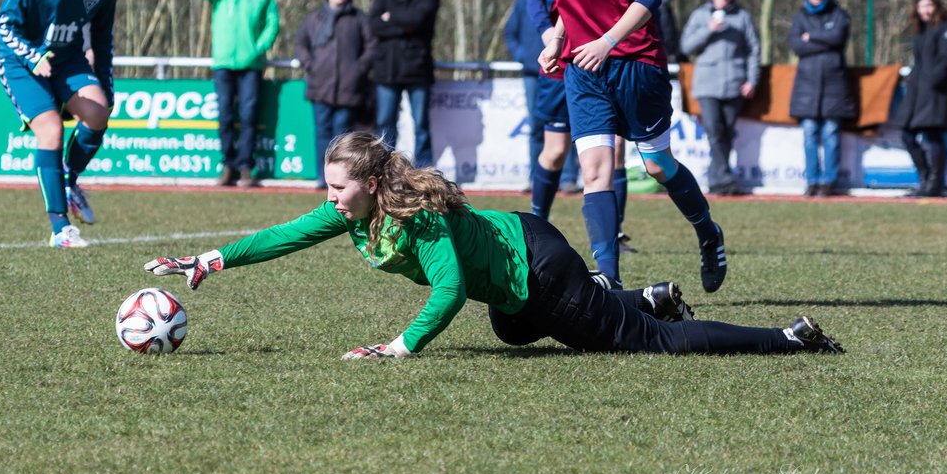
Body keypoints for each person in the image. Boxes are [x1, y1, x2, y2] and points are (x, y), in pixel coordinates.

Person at [143, 132, 843, 358]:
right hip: (521, 260)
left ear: (371, 183)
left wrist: (400, 346)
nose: (327, 198)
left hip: (542, 268)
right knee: (510, 330)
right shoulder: (357, 210)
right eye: (326, 188)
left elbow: (447, 289)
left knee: (647, 344)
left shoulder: (417, 217)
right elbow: (287, 234)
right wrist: (212, 258)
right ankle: (647, 295)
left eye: (336, 188)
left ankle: (787, 338)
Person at [531, 0, 727, 293]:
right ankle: (609, 278)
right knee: (596, 169)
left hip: (634, 63)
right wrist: (557, 38)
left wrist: (607, 41)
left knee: (657, 164)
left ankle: (708, 232)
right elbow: (568, 2)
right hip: (584, 67)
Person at [0, 0, 116, 248]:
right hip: (21, 63)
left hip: (68, 60)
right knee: (51, 130)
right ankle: (61, 229)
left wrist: (106, 86)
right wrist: (34, 55)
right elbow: (3, 26)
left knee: (98, 114)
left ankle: (68, 180)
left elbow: (103, 40)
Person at [188, 0, 281, 187]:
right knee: (225, 116)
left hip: (250, 64)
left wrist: (258, 49)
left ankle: (246, 167)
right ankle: (228, 165)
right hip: (223, 63)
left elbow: (272, 23)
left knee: (249, 116)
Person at [680, 0, 760, 197]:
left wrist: (751, 80)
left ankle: (717, 180)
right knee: (715, 131)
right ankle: (723, 178)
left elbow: (753, 50)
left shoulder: (742, 17)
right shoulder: (699, 16)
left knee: (725, 132)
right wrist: (709, 30)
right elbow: (686, 47)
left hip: (734, 84)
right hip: (707, 85)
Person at [294, 0, 374, 188]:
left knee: (342, 136)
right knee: (322, 132)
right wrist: (311, 65)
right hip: (320, 86)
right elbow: (300, 45)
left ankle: (342, 179)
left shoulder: (359, 19)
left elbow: (371, 47)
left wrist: (359, 69)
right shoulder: (314, 19)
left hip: (349, 88)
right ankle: (323, 176)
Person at [506, 0, 580, 207]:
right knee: (539, 127)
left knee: (568, 127)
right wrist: (524, 57)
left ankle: (568, 178)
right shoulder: (524, 1)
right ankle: (535, 177)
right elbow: (510, 33)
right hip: (533, 71)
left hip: (563, 69)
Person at [787, 0, 855, 197]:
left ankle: (829, 182)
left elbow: (838, 38)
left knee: (831, 134)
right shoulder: (799, 17)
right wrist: (822, 39)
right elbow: (797, 45)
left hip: (835, 86)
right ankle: (812, 180)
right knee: (809, 135)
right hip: (807, 87)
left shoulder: (839, 15)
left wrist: (811, 37)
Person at [368, 0, 440, 168]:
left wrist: (391, 19)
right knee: (385, 124)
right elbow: (374, 26)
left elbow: (416, 20)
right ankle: (384, 168)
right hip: (386, 72)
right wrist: (404, 25)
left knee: (421, 125)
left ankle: (425, 171)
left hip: (418, 71)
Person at [892, 0, 947, 198]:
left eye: (929, 5)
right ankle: (925, 179)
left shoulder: (946, 28)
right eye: (922, 6)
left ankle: (934, 184)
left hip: (934, 93)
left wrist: (932, 82)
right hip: (916, 93)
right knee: (906, 135)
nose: (926, 10)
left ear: (936, 6)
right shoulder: (920, 31)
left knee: (933, 136)